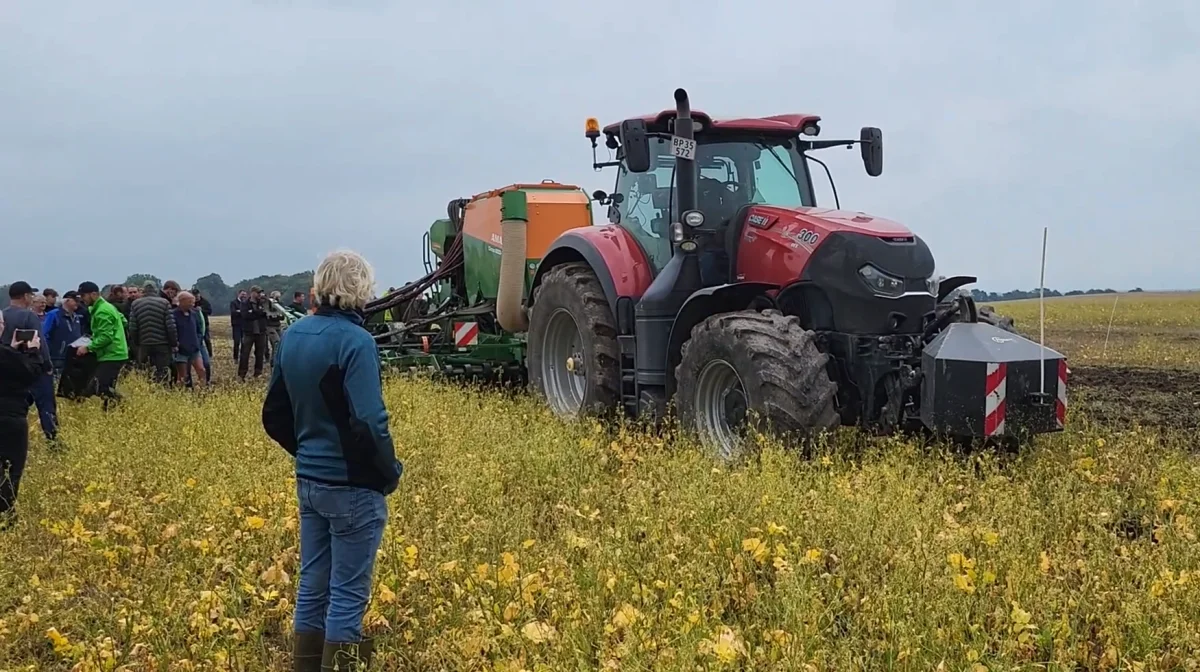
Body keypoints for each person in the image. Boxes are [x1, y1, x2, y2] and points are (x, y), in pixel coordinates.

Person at [262, 250, 401, 669]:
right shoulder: (356, 341)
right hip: (353, 486)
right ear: (360, 289)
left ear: (320, 285)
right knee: (347, 593)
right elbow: (369, 420)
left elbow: (274, 413)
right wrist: (388, 472)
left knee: (313, 585)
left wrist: (307, 453)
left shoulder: (294, 335)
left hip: (310, 482)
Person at [0, 311, 44, 530]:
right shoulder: (5, 355)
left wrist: (13, 349)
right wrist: (33, 351)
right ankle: (5, 517)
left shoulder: (7, 354)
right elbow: (31, 373)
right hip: (9, 418)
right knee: (9, 468)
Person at [3, 282, 56, 443]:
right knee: (46, 406)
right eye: (31, 295)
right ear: (25, 296)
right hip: (34, 368)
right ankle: (53, 440)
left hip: (10, 370)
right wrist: (47, 365)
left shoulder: (2, 315)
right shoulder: (29, 316)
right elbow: (40, 342)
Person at [76, 281, 129, 411]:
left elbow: (106, 337)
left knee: (99, 386)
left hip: (112, 354)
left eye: (84, 296)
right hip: (114, 352)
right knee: (106, 386)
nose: (82, 299)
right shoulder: (106, 307)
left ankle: (122, 405)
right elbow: (123, 321)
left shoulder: (102, 311)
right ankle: (110, 414)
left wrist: (88, 347)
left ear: (94, 294)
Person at [128, 281, 177, 384]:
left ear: (143, 290)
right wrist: (173, 343)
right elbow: (171, 326)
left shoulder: (135, 304)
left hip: (144, 344)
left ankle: (149, 391)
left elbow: (132, 327)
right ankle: (161, 392)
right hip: (162, 344)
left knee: (146, 372)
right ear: (155, 290)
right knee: (162, 371)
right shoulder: (164, 303)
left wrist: (137, 342)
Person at [42, 290, 84, 378]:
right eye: (75, 301)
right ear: (67, 300)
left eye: (79, 301)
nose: (78, 303)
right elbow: (44, 334)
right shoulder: (54, 314)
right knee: (56, 380)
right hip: (56, 356)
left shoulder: (76, 316)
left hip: (73, 355)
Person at [171, 292, 206, 388]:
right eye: (190, 302)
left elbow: (199, 330)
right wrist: (176, 344)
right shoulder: (173, 315)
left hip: (194, 349)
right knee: (183, 376)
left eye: (193, 302)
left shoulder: (194, 314)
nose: (193, 304)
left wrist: (197, 342)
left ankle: (202, 391)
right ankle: (180, 394)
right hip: (181, 351)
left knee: (202, 370)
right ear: (182, 301)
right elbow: (172, 331)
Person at [238, 286, 268, 380]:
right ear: (252, 293)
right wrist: (259, 313)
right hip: (249, 332)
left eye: (260, 293)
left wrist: (254, 312)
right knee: (245, 353)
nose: (260, 295)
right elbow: (245, 315)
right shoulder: (245, 304)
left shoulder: (263, 303)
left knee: (260, 353)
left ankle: (258, 373)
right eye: (258, 293)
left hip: (261, 332)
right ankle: (242, 374)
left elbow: (265, 314)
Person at [192, 287, 214, 364]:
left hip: (205, 324)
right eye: (195, 297)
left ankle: (210, 354)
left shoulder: (205, 302)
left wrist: (202, 310)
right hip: (195, 324)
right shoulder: (191, 302)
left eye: (197, 296)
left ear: (199, 295)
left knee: (207, 339)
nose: (196, 298)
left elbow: (210, 311)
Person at [266, 290, 285, 362]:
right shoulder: (268, 304)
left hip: (278, 325)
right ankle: (274, 361)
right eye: (277, 297)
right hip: (270, 326)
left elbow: (282, 316)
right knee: (276, 343)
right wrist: (276, 316)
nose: (278, 299)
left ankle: (275, 359)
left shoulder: (280, 304)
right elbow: (269, 316)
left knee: (280, 343)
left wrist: (276, 316)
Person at [230, 289, 248, 363]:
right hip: (236, 325)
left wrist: (240, 311)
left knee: (245, 343)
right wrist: (242, 312)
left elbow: (248, 313)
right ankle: (235, 358)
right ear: (239, 294)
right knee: (237, 342)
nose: (244, 296)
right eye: (242, 294)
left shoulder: (246, 303)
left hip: (245, 325)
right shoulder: (233, 303)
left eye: (245, 295)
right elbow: (233, 312)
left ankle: (243, 357)